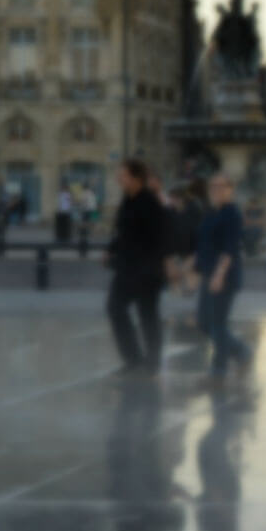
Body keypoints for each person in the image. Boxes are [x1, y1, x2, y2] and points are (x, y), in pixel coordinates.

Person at [105, 159, 173, 375]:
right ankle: (133, 359)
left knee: (148, 316)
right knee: (115, 308)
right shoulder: (128, 200)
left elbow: (162, 237)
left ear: (135, 178)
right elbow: (123, 231)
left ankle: (152, 363)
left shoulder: (150, 203)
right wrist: (111, 249)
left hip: (147, 270)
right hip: (126, 268)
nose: (118, 178)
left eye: (123, 175)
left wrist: (162, 265)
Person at [195, 173, 253, 382]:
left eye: (221, 187)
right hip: (208, 274)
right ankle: (240, 351)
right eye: (212, 186)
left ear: (230, 189)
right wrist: (195, 269)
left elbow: (230, 248)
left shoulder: (232, 214)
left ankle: (218, 371)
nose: (216, 190)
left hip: (225, 275)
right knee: (203, 322)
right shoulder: (211, 213)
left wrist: (219, 275)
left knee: (217, 323)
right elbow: (202, 244)